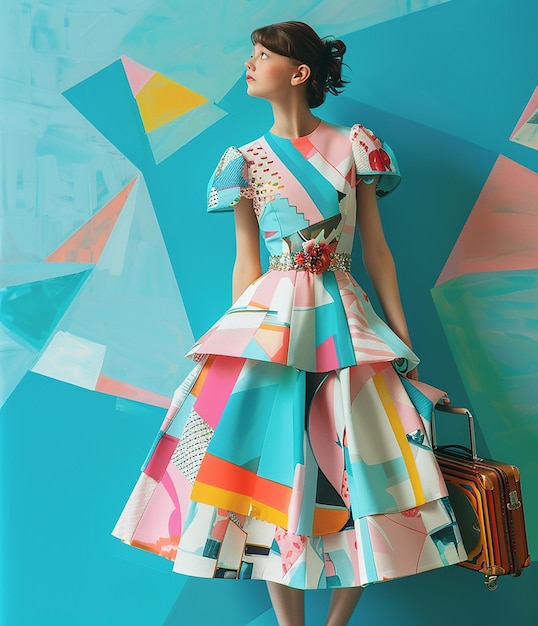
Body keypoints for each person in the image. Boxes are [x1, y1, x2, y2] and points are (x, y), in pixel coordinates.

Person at [113, 21, 466, 626]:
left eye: (259, 56)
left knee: (363, 466)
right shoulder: (242, 160)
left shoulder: (356, 145)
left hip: (345, 319)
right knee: (271, 472)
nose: (247, 65)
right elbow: (245, 262)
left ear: (298, 73)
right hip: (272, 320)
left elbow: (378, 252)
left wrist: (401, 338)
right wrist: (237, 340)